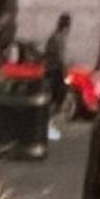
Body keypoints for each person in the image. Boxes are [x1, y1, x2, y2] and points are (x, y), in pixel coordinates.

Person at [40, 11, 72, 139]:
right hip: (55, 72)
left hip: (51, 71)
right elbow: (60, 58)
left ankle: (48, 125)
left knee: (54, 99)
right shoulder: (58, 38)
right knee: (56, 99)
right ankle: (47, 126)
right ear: (66, 26)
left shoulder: (55, 37)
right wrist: (65, 72)